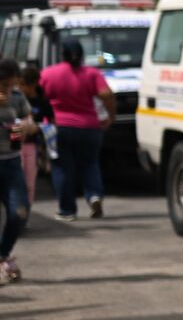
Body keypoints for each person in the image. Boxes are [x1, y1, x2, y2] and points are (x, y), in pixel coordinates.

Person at [39, 39, 114, 220]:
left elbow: (38, 97)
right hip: (89, 127)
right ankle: (94, 196)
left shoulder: (48, 74)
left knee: (62, 168)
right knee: (90, 164)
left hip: (59, 127)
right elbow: (106, 94)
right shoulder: (92, 74)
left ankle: (67, 211)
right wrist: (110, 117)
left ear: (62, 54)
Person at [0, 59, 37, 284]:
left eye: (10, 84)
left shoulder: (17, 97)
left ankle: (4, 253)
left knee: (20, 211)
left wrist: (26, 126)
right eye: (3, 84)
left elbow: (31, 121)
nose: (7, 89)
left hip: (12, 162)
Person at [17, 65, 53, 208]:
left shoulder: (42, 100)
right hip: (15, 146)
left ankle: (26, 212)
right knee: (16, 182)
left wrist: (37, 127)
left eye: (23, 84)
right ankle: (16, 212)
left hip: (33, 146)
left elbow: (52, 122)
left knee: (30, 183)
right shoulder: (16, 99)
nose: (21, 87)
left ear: (33, 83)